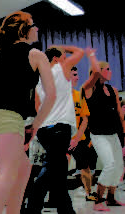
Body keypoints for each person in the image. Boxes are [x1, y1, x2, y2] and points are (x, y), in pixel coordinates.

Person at [0, 11, 56, 214]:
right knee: (6, 173)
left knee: (22, 168)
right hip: (8, 117)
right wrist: (36, 124)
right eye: (33, 24)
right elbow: (51, 95)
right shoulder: (36, 54)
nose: (37, 28)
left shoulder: (0, 56)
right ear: (24, 29)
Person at [27, 45, 84, 214]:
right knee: (51, 171)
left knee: (57, 173)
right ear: (56, 59)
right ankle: (31, 209)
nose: (66, 59)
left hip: (45, 129)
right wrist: (62, 47)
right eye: (63, 56)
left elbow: (37, 106)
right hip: (60, 128)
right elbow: (80, 52)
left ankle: (65, 210)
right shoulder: (61, 68)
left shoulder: (39, 80)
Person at [83, 48, 125, 211]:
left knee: (119, 166)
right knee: (109, 164)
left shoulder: (113, 90)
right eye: (105, 68)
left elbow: (120, 116)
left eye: (109, 68)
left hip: (113, 133)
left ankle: (111, 198)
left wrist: (124, 135)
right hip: (98, 134)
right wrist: (92, 56)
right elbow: (94, 74)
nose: (109, 71)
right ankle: (98, 200)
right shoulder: (89, 89)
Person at [68, 67, 98, 202]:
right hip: (61, 137)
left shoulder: (78, 95)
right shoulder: (57, 95)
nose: (77, 77)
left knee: (85, 166)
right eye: (74, 74)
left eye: (77, 74)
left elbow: (85, 118)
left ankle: (88, 193)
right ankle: (53, 196)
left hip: (79, 138)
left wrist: (77, 137)